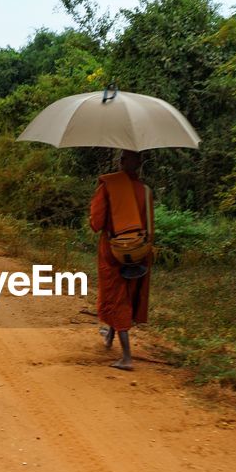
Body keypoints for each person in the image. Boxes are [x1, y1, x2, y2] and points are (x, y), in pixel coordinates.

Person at [89, 149, 154, 370]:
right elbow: (150, 228)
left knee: (117, 299)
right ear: (140, 164)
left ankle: (126, 357)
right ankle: (109, 337)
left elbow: (96, 223)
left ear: (121, 161)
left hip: (113, 251)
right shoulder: (145, 190)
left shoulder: (108, 186)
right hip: (139, 251)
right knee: (126, 294)